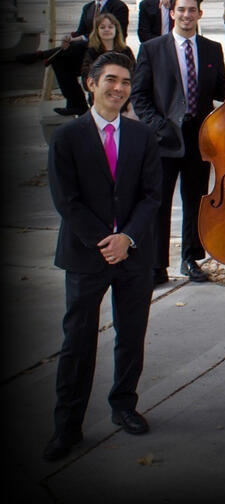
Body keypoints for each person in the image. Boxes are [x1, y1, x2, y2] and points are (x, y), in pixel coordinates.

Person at [43, 52, 161, 461]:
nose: (119, 88)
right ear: (91, 84)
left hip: (133, 254)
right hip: (85, 256)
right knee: (77, 343)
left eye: (126, 81)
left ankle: (124, 405)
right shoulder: (67, 137)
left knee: (131, 336)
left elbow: (152, 196)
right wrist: (105, 240)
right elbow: (67, 201)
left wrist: (126, 237)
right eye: (111, 79)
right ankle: (67, 426)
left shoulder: (143, 136)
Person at [131, 0, 225, 285]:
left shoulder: (211, 48)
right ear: (172, 13)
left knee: (195, 201)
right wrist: (158, 126)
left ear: (199, 14)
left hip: (201, 136)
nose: (186, 15)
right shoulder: (152, 49)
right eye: (181, 10)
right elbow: (139, 96)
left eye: (192, 10)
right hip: (164, 137)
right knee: (159, 203)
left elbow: (218, 89)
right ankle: (156, 266)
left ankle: (191, 259)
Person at [26, 0, 130, 117]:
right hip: (85, 53)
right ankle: (76, 104)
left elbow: (119, 35)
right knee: (60, 60)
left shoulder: (119, 7)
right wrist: (70, 38)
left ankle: (42, 55)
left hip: (106, 53)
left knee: (70, 50)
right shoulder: (88, 8)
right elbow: (80, 32)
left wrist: (82, 40)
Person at [80, 13, 135, 109]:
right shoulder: (92, 52)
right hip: (100, 100)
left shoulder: (126, 51)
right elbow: (86, 80)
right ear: (97, 31)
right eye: (102, 27)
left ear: (116, 30)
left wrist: (132, 103)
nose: (107, 30)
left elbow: (136, 76)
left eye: (110, 27)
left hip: (126, 100)